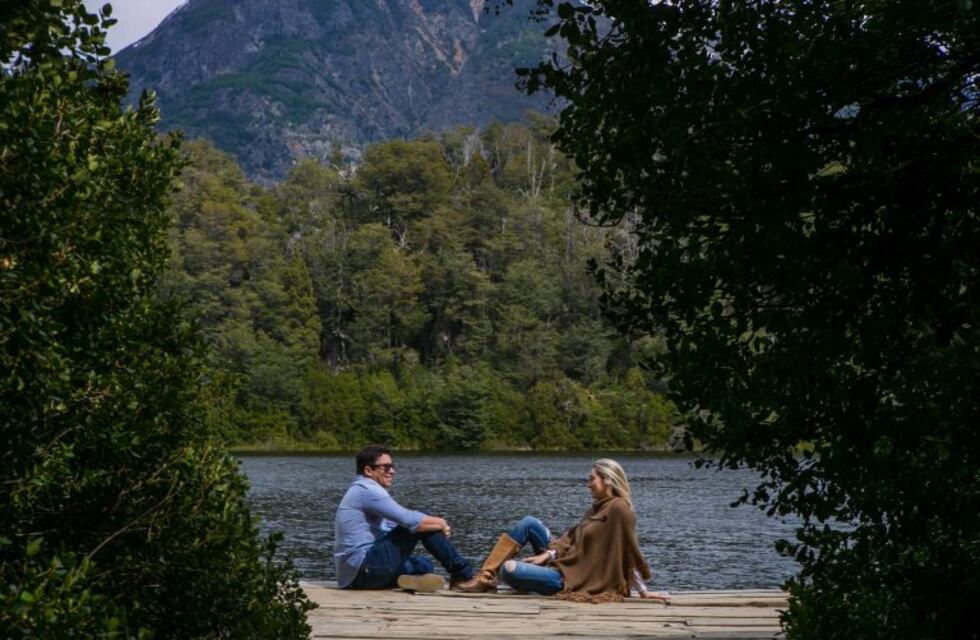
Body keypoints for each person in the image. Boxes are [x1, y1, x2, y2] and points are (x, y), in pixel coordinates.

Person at [458, 458, 671, 603]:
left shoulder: (619, 509)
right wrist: (549, 553)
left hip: (573, 576)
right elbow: (573, 536)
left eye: (592, 479)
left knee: (510, 569)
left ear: (607, 480)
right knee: (529, 523)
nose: (588, 484)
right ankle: (485, 577)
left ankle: (533, 578)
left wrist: (643, 591)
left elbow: (628, 551)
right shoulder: (597, 507)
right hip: (569, 557)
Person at [334, 444, 479, 592]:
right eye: (386, 467)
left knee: (425, 563)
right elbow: (410, 521)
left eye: (392, 466)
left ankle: (402, 579)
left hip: (356, 576)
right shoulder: (367, 491)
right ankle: (463, 575)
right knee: (421, 520)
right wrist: (440, 523)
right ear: (368, 470)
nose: (392, 471)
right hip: (364, 570)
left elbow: (393, 525)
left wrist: (432, 524)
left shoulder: (361, 490)